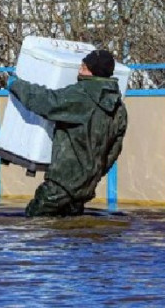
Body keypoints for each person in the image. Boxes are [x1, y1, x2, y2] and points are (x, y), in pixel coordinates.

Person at [8, 49, 128, 217]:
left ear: (93, 71)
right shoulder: (119, 108)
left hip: (61, 185)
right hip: (86, 187)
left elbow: (47, 101)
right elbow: (113, 151)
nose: (79, 70)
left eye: (84, 67)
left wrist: (16, 85)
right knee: (72, 233)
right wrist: (93, 175)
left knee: (31, 227)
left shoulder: (82, 95)